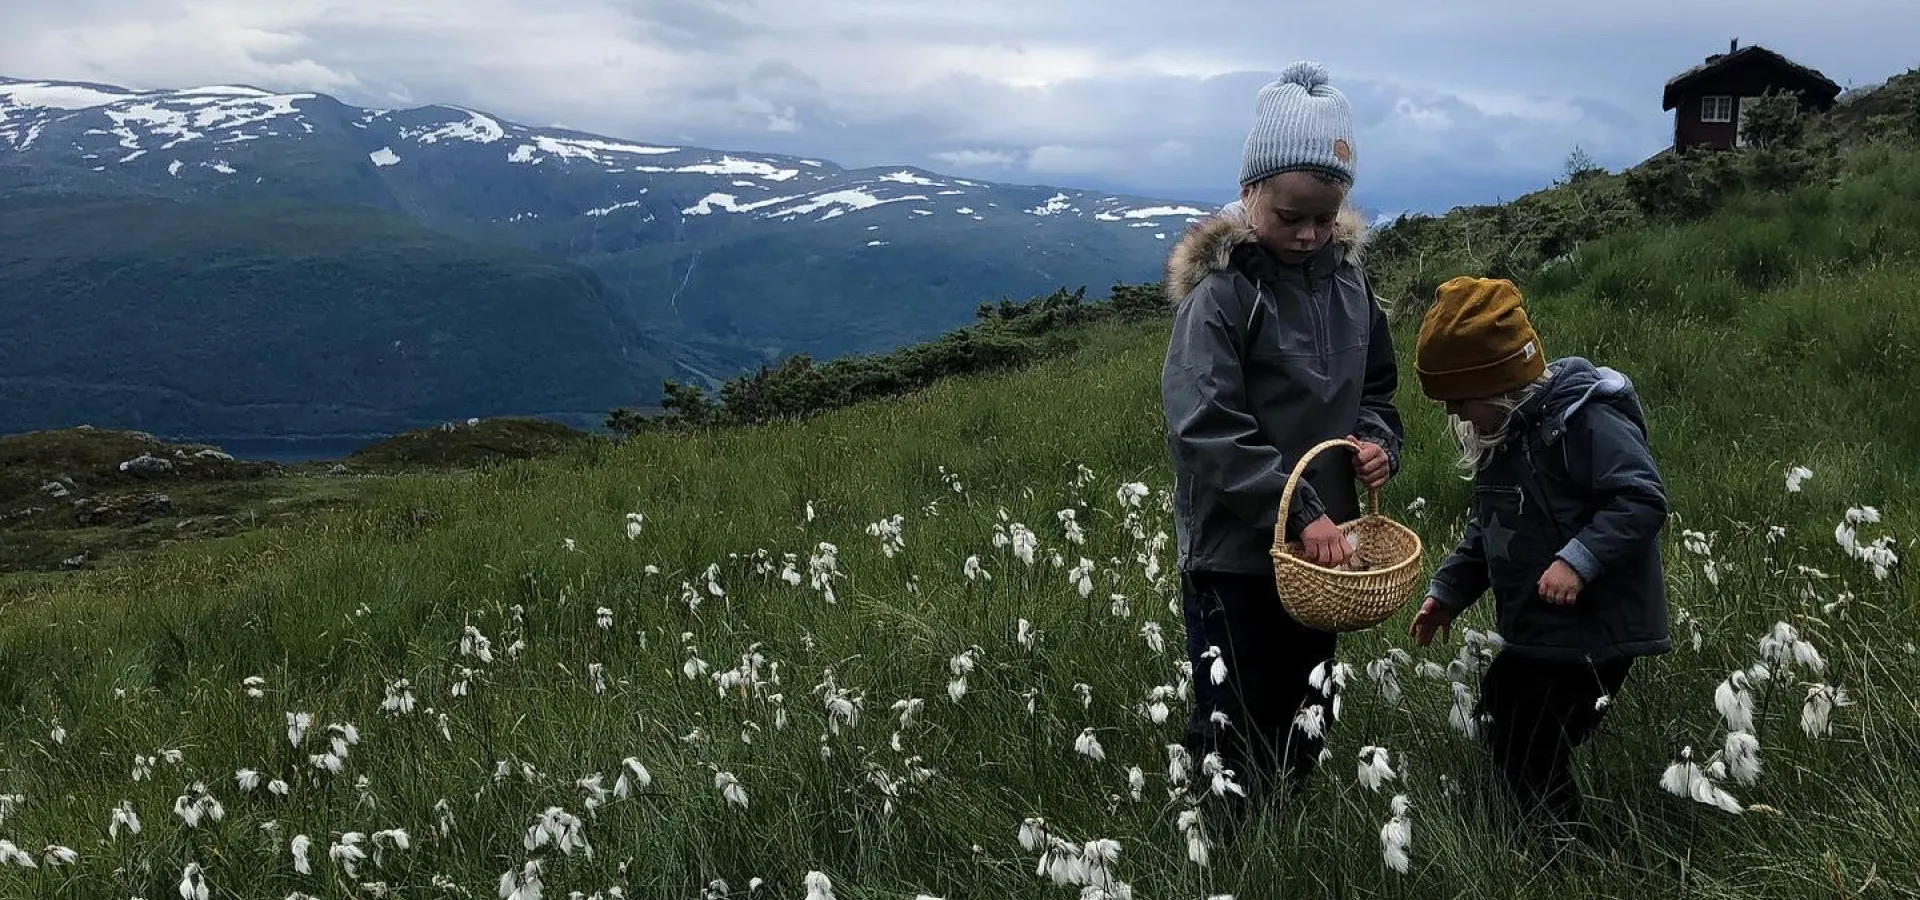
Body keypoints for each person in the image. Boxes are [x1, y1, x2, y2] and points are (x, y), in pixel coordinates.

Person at [1160, 60, 1404, 830]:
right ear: (1250, 192)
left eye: (1323, 219)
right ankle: (1226, 850)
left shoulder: (1352, 287)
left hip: (1323, 556)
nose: (1306, 234)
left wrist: (1377, 444)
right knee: (1232, 714)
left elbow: (1378, 391)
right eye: (1290, 214)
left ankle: (1285, 834)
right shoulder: (1222, 295)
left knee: (1308, 706)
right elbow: (1205, 427)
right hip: (1235, 552)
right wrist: (1298, 510)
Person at [1407, 276, 1671, 856]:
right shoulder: (1505, 434)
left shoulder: (1587, 422)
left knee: (1529, 742)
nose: (1453, 411)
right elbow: (1490, 528)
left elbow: (1642, 499)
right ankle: (1528, 829)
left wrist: (1577, 562)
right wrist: (1449, 591)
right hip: (1539, 632)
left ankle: (1560, 854)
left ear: (1499, 380)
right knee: (1501, 715)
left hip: (1594, 633)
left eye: (1458, 398)